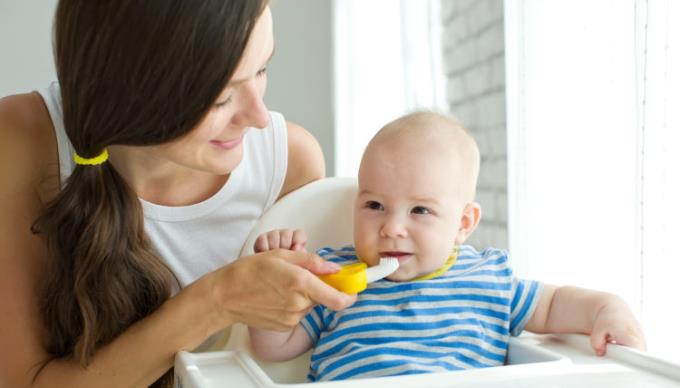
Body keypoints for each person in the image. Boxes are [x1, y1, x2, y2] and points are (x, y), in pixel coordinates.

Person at [0, 1, 356, 387]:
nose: (258, 116)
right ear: (131, 91)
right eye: (222, 97)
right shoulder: (22, 141)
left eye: (262, 69)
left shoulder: (291, 165)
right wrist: (216, 300)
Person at [248, 111, 647, 382]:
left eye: (420, 210)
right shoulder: (333, 277)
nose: (392, 228)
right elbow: (273, 348)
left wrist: (604, 309)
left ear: (463, 224)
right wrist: (273, 277)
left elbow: (554, 304)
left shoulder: (487, 277)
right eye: (374, 206)